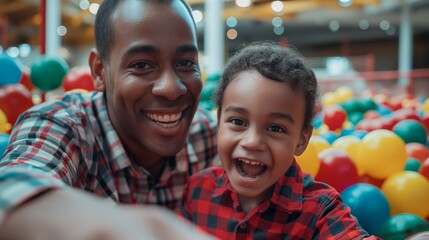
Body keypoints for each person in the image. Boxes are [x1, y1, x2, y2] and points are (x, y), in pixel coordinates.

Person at [0, 0, 218, 239]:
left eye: (186, 63)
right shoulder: (65, 125)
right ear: (99, 72)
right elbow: (12, 186)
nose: (171, 88)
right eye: (142, 65)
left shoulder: (210, 135)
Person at [180, 42, 378, 239]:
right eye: (238, 121)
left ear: (302, 140)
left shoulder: (319, 211)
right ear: (219, 123)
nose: (252, 142)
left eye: (275, 128)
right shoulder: (198, 190)